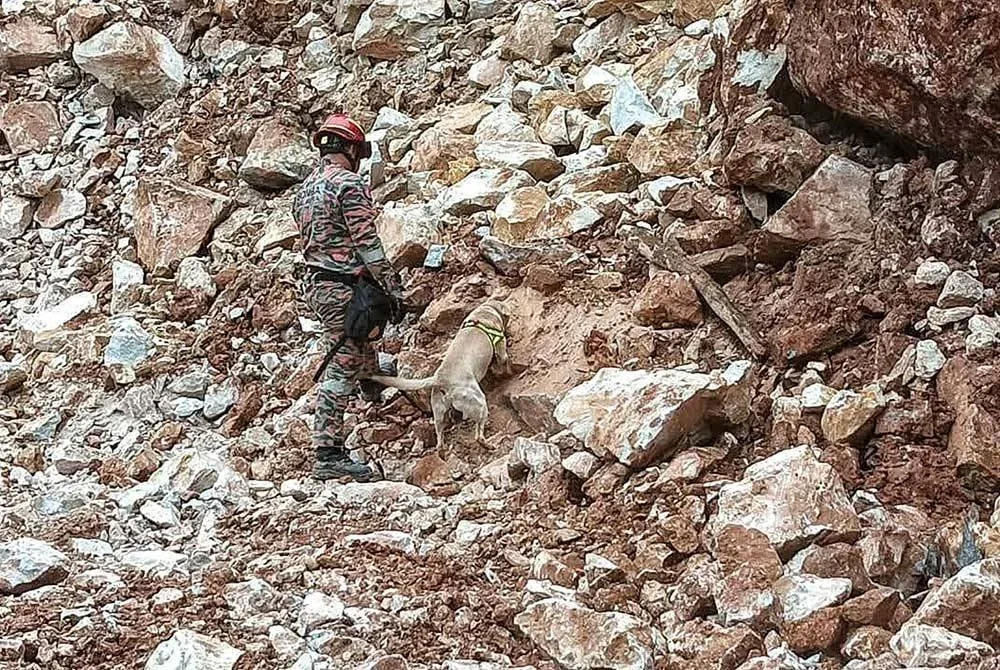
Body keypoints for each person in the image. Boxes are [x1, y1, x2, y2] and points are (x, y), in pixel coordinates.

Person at [293, 113, 404, 482]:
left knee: (354, 339)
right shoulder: (349, 184)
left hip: (317, 285)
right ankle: (327, 453)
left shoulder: (304, 190)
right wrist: (392, 286)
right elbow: (367, 244)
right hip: (343, 286)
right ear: (353, 150)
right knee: (341, 366)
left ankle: (371, 379)